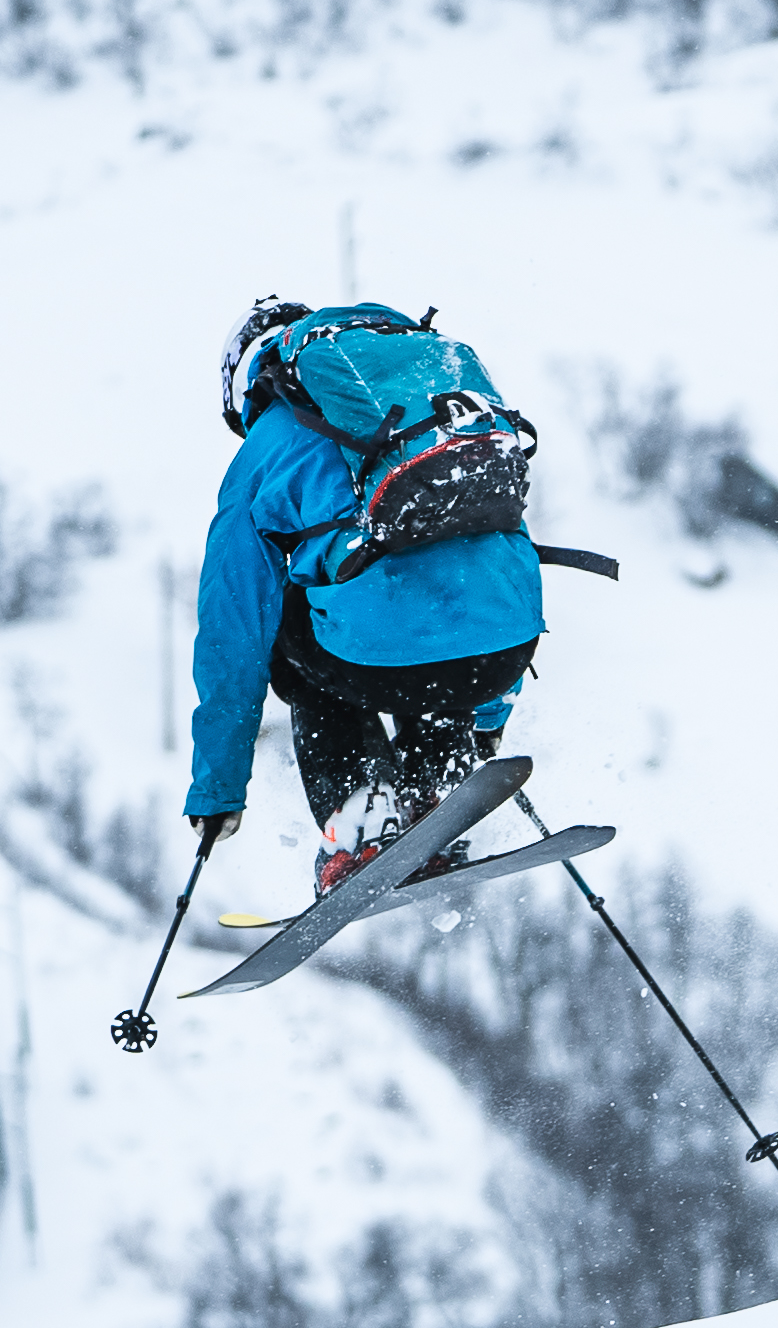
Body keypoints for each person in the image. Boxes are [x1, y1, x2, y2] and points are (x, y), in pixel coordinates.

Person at [184, 296, 545, 895]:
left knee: (302, 618)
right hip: (503, 649)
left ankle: (363, 824)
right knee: (420, 589)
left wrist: (218, 786)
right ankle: (438, 786)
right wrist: (486, 717)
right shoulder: (443, 400)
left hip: (375, 657)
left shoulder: (270, 442)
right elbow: (493, 553)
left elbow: (233, 626)